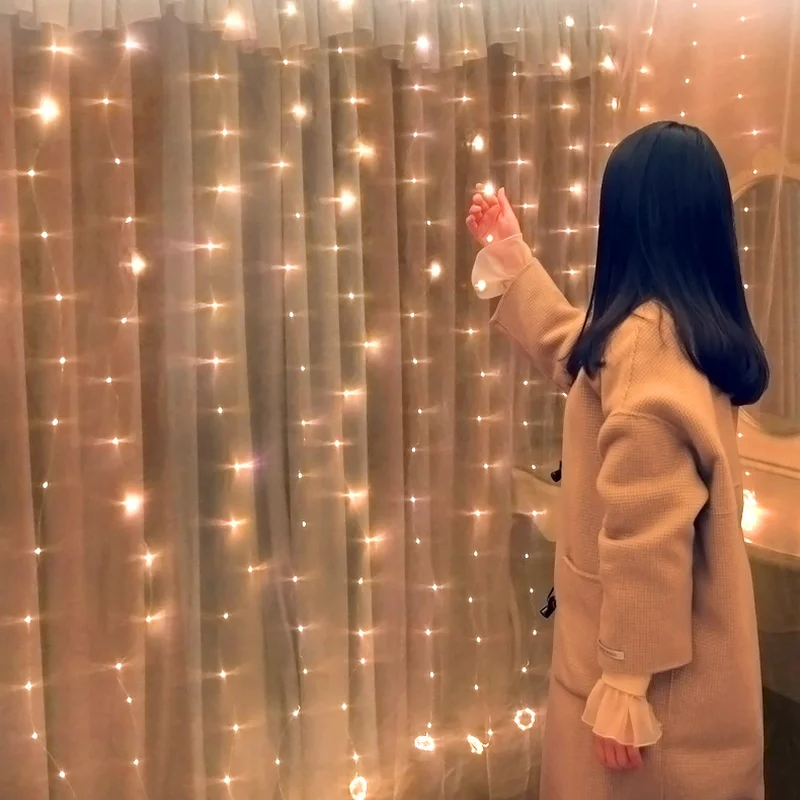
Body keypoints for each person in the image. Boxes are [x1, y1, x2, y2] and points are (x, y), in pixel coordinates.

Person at [466, 121, 768, 800]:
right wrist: (513, 259)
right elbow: (581, 353)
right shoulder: (678, 329)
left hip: (651, 685)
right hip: (682, 660)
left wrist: (626, 680)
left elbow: (646, 534)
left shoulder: (647, 347)